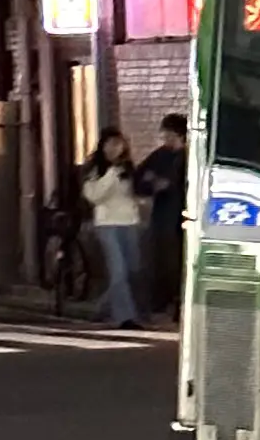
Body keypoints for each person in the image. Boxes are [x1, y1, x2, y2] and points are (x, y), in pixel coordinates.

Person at [78, 126, 147, 330]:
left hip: (130, 222)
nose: (114, 148)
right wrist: (111, 173)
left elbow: (136, 192)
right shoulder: (95, 170)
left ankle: (103, 308)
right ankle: (124, 317)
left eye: (118, 144)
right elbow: (94, 196)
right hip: (107, 224)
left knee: (133, 270)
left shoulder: (129, 169)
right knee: (118, 271)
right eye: (110, 144)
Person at [132, 109, 188, 318]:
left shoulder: (190, 157)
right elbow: (139, 179)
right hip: (164, 216)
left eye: (169, 135)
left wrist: (163, 183)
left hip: (183, 215)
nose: (165, 139)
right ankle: (163, 301)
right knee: (163, 259)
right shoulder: (160, 155)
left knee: (180, 260)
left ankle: (178, 302)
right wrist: (154, 184)